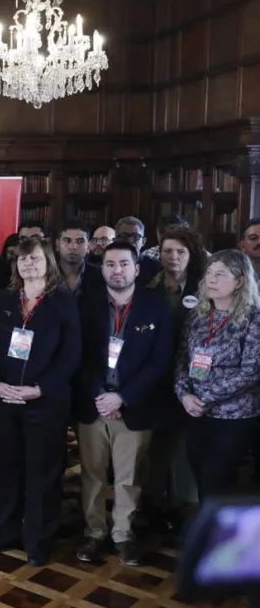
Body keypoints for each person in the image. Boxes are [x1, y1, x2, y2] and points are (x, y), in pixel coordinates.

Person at [0, 238, 81, 566]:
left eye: (34, 259)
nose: (28, 265)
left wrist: (40, 389)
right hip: (6, 400)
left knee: (43, 473)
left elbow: (71, 355)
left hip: (44, 402)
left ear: (48, 262)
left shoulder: (62, 301)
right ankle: (3, 531)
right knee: (7, 468)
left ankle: (38, 540)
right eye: (22, 260)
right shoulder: (3, 299)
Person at [73, 243, 173, 566]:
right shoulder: (86, 305)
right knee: (93, 474)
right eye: (110, 264)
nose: (117, 270)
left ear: (136, 268)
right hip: (94, 404)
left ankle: (123, 534)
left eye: (124, 264)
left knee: (129, 478)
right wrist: (101, 395)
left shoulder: (156, 307)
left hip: (135, 407)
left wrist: (123, 396)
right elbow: (80, 357)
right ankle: (94, 532)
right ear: (101, 269)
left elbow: (160, 362)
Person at [175, 250, 260, 500]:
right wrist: (184, 395)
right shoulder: (198, 316)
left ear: (240, 281)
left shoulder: (254, 320)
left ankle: (215, 536)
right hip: (196, 411)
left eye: (220, 274)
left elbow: (251, 372)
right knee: (201, 477)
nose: (211, 279)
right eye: (209, 273)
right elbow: (181, 358)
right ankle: (208, 531)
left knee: (217, 481)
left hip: (234, 416)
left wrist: (204, 397)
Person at [143, 227, 207, 530]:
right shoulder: (148, 285)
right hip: (153, 380)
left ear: (191, 254)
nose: (173, 257)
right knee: (154, 448)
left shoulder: (203, 288)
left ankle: (183, 510)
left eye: (180, 251)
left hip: (190, 383)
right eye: (167, 251)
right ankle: (153, 506)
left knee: (183, 449)